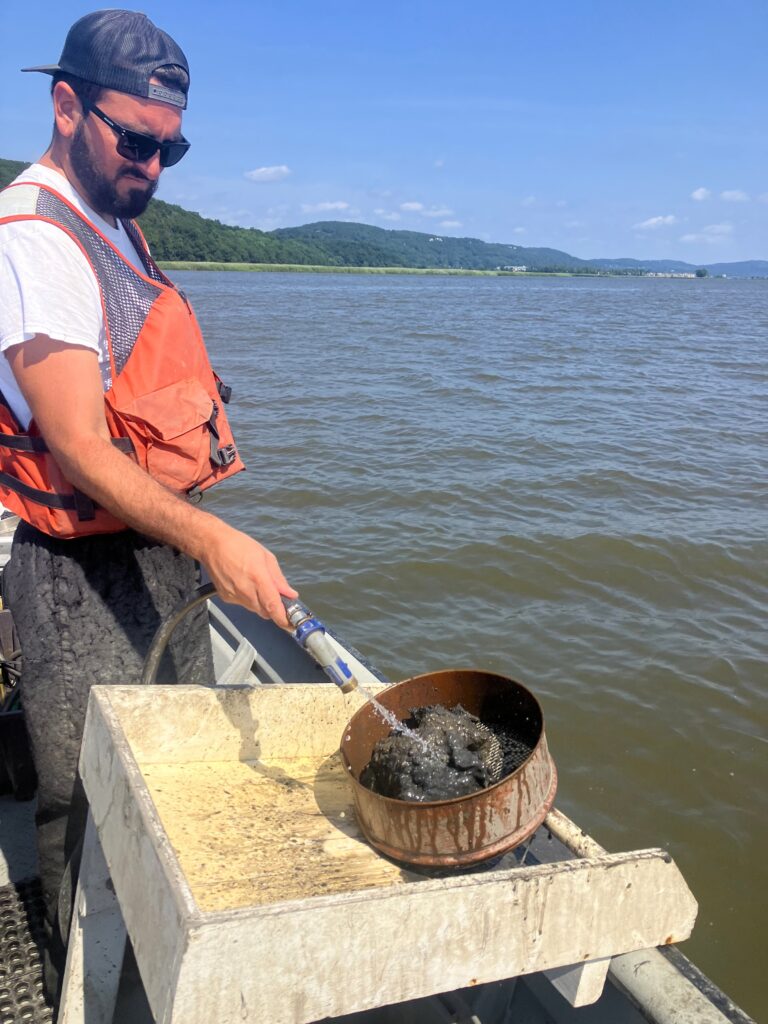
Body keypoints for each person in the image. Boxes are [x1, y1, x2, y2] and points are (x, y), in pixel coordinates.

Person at [0, 9, 297, 1005]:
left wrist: (193, 541)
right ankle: (78, 982)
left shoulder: (115, 213)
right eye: (136, 140)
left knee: (184, 779)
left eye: (172, 146)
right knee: (90, 802)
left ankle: (167, 971)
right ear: (66, 104)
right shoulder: (36, 240)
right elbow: (79, 447)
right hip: (80, 576)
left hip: (157, 549)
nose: (157, 165)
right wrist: (217, 534)